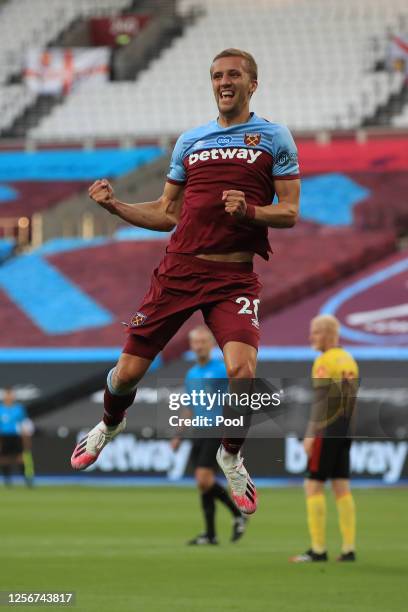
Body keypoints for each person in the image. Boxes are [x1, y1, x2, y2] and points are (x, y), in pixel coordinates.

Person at [71, 48, 300, 515]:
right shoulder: (190, 140)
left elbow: (291, 211)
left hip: (234, 278)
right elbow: (167, 213)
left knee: (243, 373)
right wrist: (115, 207)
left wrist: (252, 211)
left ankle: (231, 456)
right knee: (127, 374)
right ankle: (108, 425)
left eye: (233, 74)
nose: (224, 81)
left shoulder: (274, 137)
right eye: (217, 75)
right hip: (179, 270)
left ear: (252, 84)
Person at [290, 315, 359, 562]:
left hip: (327, 430)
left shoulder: (324, 361)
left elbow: (321, 403)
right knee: (341, 487)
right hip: (345, 429)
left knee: (313, 485)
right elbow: (351, 400)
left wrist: (310, 434)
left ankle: (318, 550)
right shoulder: (349, 360)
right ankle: (348, 549)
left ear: (330, 334)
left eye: (316, 332)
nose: (311, 337)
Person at [172, 325, 247, 545]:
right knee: (203, 484)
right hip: (199, 430)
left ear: (212, 345)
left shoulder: (223, 369)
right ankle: (210, 534)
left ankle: (238, 514)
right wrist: (178, 434)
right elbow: (189, 405)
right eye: (195, 342)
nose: (199, 346)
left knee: (203, 479)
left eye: (203, 342)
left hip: (217, 430)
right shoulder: (192, 374)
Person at [0, 388, 34, 487]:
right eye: (7, 395)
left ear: (13, 396)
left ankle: (27, 479)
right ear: (4, 396)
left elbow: (24, 423)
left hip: (16, 436)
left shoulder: (19, 409)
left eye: (10, 395)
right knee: (3, 458)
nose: (9, 397)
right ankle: (7, 480)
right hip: (3, 436)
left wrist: (26, 437)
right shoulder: (0, 409)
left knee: (20, 457)